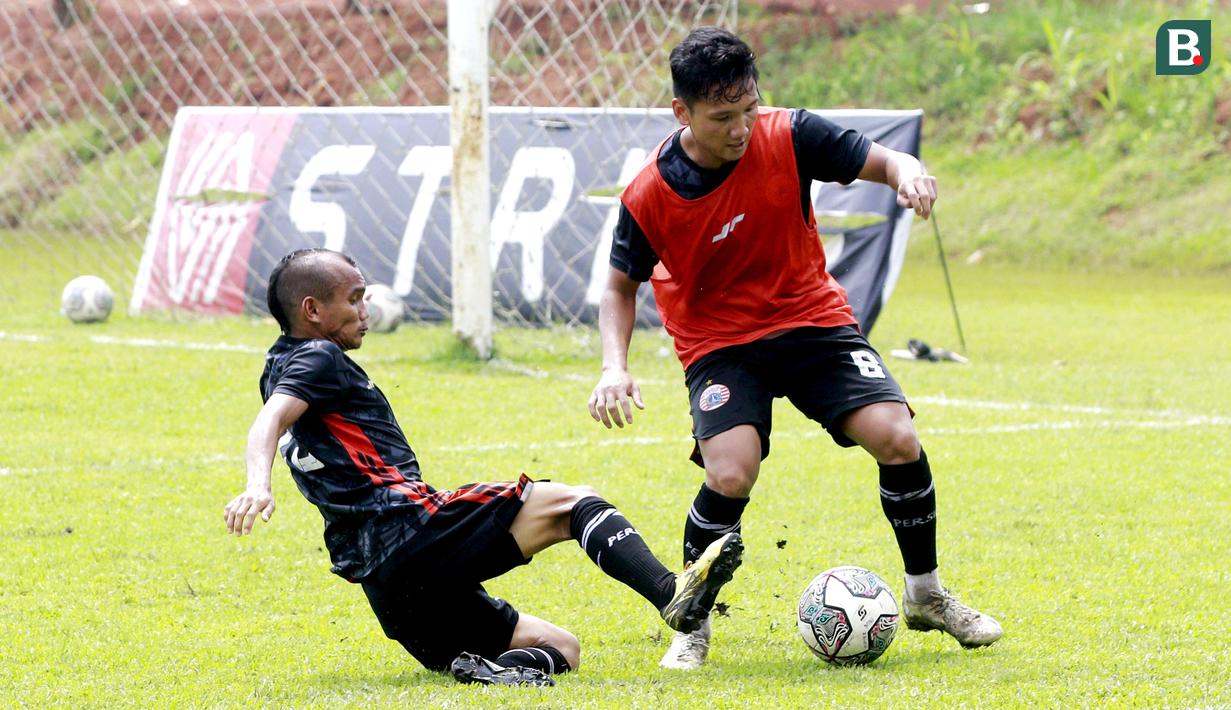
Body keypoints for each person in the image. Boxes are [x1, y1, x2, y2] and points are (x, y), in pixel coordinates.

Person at [587, 27, 1003, 670]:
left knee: (897, 437)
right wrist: (613, 367)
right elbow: (619, 286)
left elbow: (886, 160)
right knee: (731, 472)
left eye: (749, 108)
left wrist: (909, 174)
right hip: (720, 343)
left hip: (811, 321)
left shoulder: (791, 133)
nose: (741, 128)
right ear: (682, 113)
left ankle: (926, 594)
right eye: (722, 117)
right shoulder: (649, 193)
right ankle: (692, 623)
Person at [224, 248, 743, 687]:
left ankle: (491, 673)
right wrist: (257, 485)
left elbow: (275, 413)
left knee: (562, 647)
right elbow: (269, 421)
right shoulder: (318, 357)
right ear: (312, 309)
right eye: (354, 298)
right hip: (410, 530)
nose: (366, 309)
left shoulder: (277, 365)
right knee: (575, 503)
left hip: (386, 587)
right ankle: (670, 593)